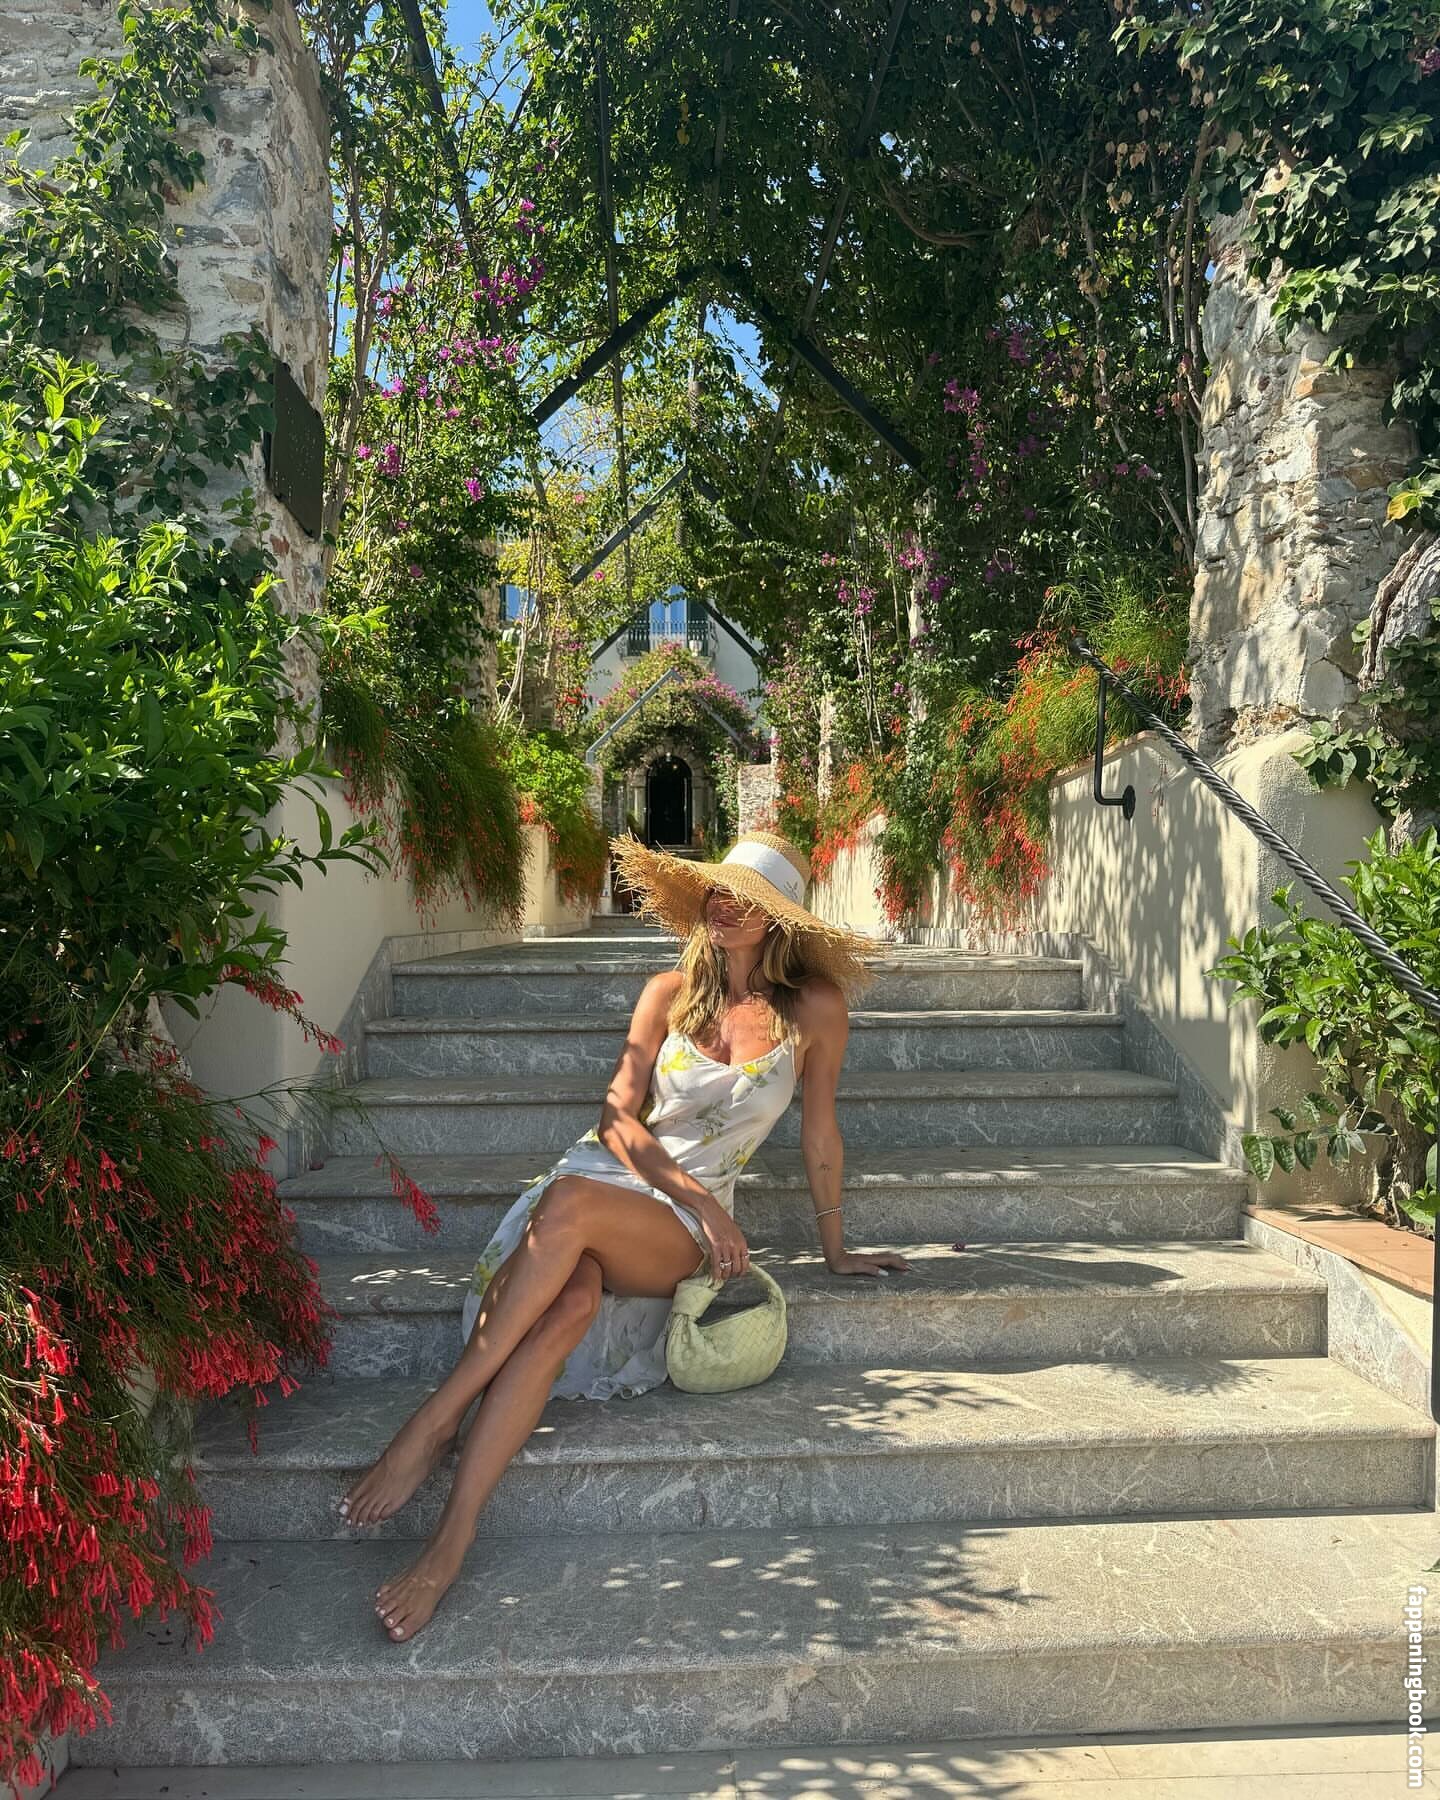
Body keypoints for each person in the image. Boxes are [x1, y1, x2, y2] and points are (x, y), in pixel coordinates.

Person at [337, 827, 913, 1642]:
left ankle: (434, 1422)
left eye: (747, 899)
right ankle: (449, 1544)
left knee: (569, 1207)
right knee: (567, 1306)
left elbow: (820, 1132)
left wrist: (833, 1246)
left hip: (678, 1224)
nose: (724, 905)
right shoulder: (667, 992)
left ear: (779, 921)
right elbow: (615, 1121)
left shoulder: (814, 1009)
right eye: (717, 890)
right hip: (612, 1183)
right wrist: (693, 1194)